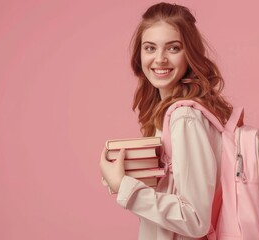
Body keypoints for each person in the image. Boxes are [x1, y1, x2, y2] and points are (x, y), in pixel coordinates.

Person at [100, 2, 233, 239]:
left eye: (173, 48)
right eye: (150, 48)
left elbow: (195, 219)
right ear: (139, 54)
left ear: (189, 53)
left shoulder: (185, 118)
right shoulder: (172, 114)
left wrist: (125, 188)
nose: (159, 59)